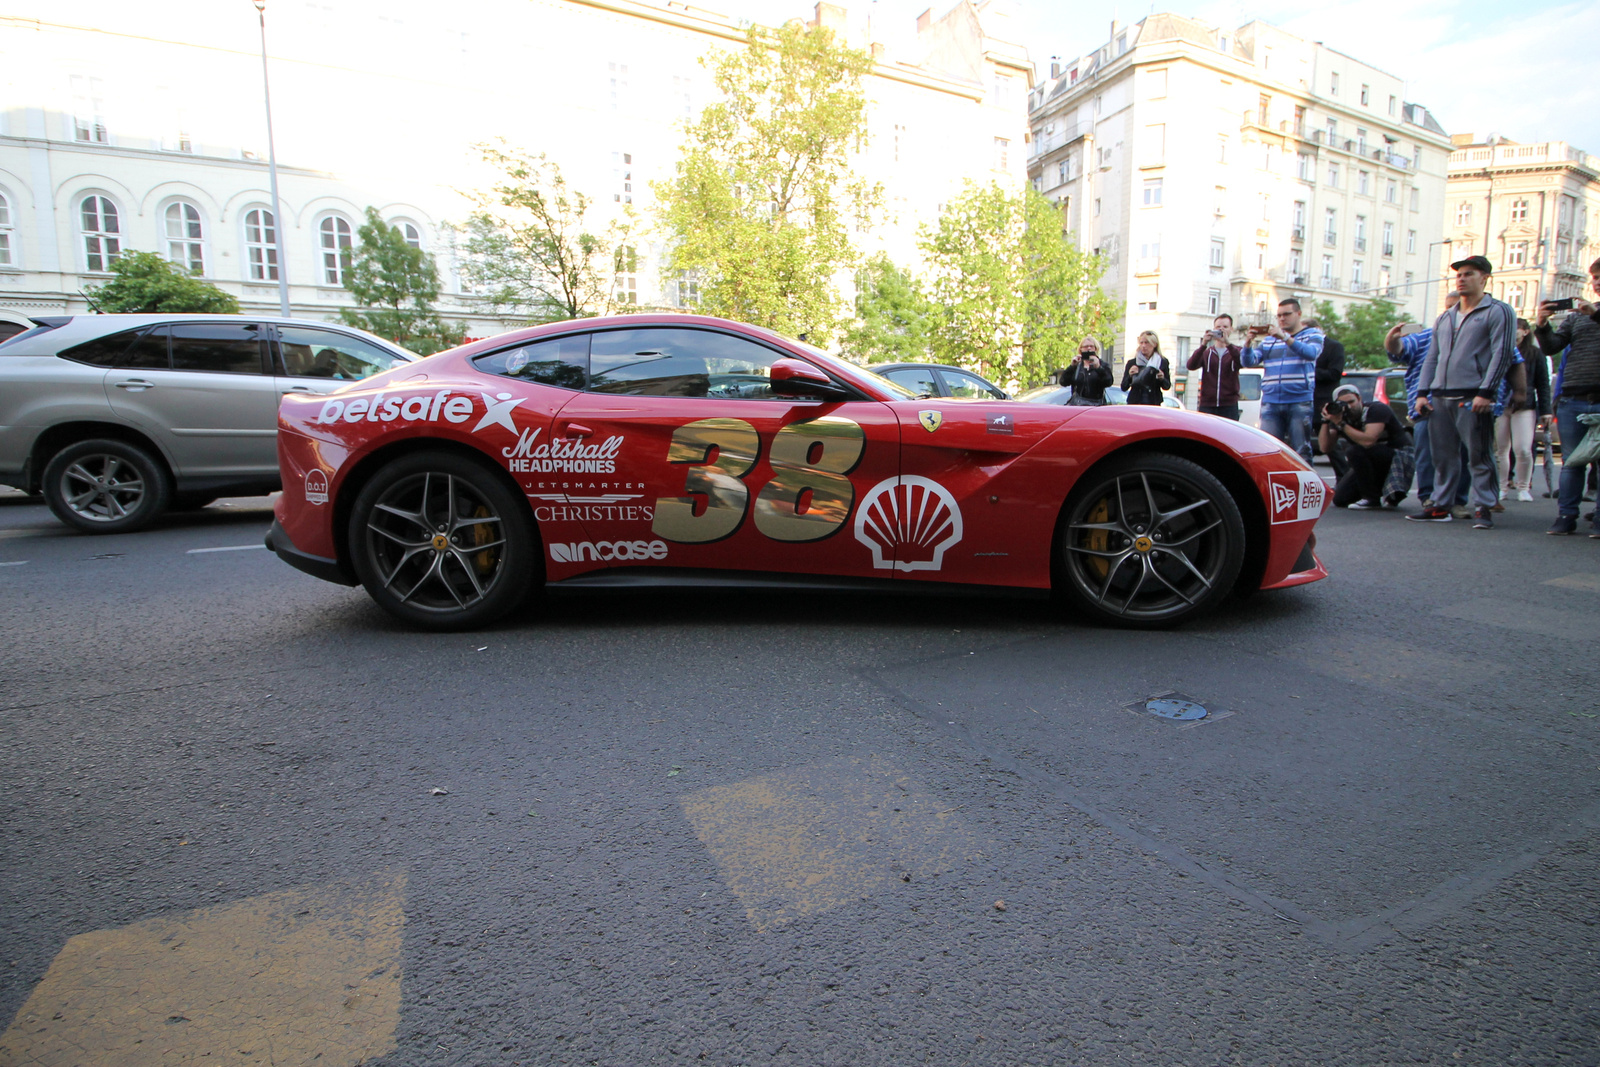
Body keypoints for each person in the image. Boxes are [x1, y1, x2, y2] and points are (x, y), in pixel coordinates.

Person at [1408, 255, 1517, 527]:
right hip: (1440, 395)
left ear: (1484, 278)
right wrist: (1422, 393)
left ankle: (1484, 507)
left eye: (1469, 274)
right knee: (1442, 457)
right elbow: (1432, 357)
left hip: (1473, 395)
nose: (1461, 278)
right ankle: (1441, 505)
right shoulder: (1446, 317)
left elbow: (1502, 353)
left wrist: (1487, 392)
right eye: (1458, 274)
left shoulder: (1498, 311)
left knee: (1479, 455)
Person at [1386, 292, 1467, 513]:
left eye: (1458, 307)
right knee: (1426, 452)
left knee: (1463, 453)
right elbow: (1398, 350)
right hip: (1429, 404)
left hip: (1463, 402)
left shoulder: (1476, 335)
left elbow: (1510, 358)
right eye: (1448, 307)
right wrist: (1392, 338)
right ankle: (1429, 497)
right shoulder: (1428, 336)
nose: (1453, 313)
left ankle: (1458, 500)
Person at [1536, 257, 1600, 535]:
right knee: (1572, 461)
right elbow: (1552, 347)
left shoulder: (1587, 314)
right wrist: (1542, 324)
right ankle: (1566, 515)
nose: (1597, 281)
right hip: (1573, 397)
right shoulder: (1576, 317)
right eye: (1595, 277)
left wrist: (1593, 314)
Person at [1241, 298, 1324, 461]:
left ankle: (1304, 485)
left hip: (1299, 401)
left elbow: (1311, 353)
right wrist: (1248, 343)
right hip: (1271, 402)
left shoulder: (1312, 335)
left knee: (1301, 451)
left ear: (1298, 314)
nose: (1282, 319)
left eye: (1287, 314)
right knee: (1268, 449)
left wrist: (1285, 338)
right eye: (1279, 316)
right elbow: (1249, 362)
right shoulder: (1270, 340)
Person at [1320, 383, 1407, 508]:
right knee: (1340, 499)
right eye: (1344, 404)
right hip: (1370, 460)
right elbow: (1325, 448)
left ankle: (1372, 499)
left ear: (1360, 399)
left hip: (1396, 457)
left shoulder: (1376, 410)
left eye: (1352, 402)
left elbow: (1368, 441)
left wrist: (1342, 424)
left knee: (1354, 451)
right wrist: (1326, 421)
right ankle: (1371, 493)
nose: (1349, 407)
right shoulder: (1339, 417)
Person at [1493, 319, 1546, 504]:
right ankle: (1501, 487)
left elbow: (1543, 383)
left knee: (1523, 448)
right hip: (1501, 405)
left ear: (1525, 332)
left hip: (1524, 406)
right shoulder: (1498, 348)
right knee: (1501, 450)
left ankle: (1523, 487)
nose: (1514, 332)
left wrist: (1546, 411)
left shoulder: (1534, 353)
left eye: (1518, 329)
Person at [1186, 314, 1242, 419]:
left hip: (1229, 405)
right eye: (1218, 327)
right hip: (1207, 404)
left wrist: (1228, 344)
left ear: (1231, 329)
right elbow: (1190, 365)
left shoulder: (1236, 351)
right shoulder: (1207, 352)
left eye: (1225, 327)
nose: (1221, 330)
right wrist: (1203, 344)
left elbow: (1241, 362)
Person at [1311, 328, 1347, 437]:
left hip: (1323, 401)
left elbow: (1335, 373)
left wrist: (1309, 371)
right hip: (1303, 402)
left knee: (1328, 443)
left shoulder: (1334, 346)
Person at [1121, 331, 1171, 405]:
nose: (1143, 346)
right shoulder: (1133, 363)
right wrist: (1130, 376)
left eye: (1147, 343)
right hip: (1135, 402)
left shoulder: (1162, 362)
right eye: (1141, 343)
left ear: (1155, 344)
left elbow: (1167, 386)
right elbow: (1124, 387)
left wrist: (1162, 378)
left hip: (1153, 402)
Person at [1065, 337, 1114, 406]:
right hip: (1078, 405)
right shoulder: (1078, 365)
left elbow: (1109, 382)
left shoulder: (1103, 365)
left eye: (1091, 346)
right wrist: (1072, 367)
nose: (1089, 348)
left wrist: (1098, 367)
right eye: (1085, 346)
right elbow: (1063, 382)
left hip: (1096, 406)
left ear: (1096, 348)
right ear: (1081, 349)